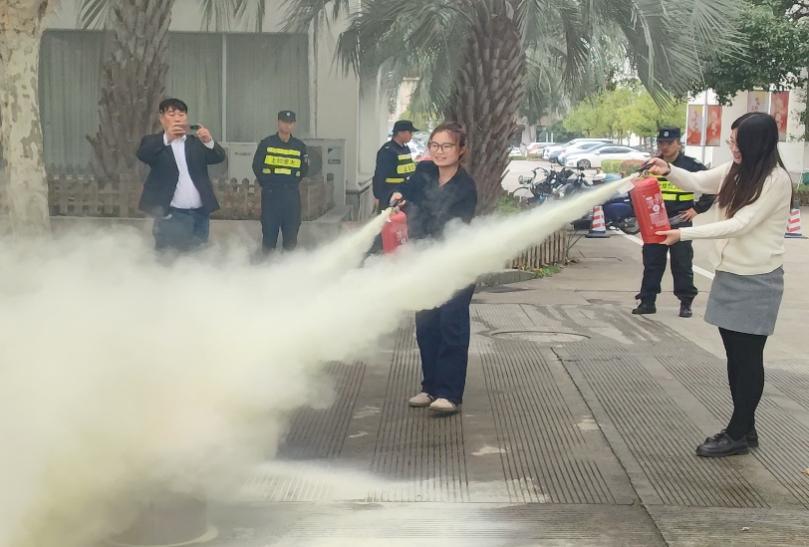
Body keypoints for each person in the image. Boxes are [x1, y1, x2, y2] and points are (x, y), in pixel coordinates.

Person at [648, 112, 793, 457]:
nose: (732, 147)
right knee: (734, 358)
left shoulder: (775, 180)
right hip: (730, 274)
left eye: (737, 142)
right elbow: (698, 181)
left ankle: (737, 433)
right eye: (731, 140)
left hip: (757, 280)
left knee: (748, 359)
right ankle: (746, 427)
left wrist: (684, 233)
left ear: (756, 144)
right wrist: (668, 170)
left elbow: (741, 224)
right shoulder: (737, 170)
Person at [389, 122, 477, 416]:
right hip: (423, 261)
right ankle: (430, 388)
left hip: (455, 264)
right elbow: (407, 189)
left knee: (451, 325)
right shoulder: (425, 172)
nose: (440, 152)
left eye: (447, 146)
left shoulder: (465, 187)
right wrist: (398, 196)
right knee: (426, 326)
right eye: (435, 145)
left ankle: (449, 394)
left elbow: (451, 228)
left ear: (460, 150)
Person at [633, 127, 715, 318]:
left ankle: (686, 302)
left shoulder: (691, 165)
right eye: (661, 142)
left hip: (680, 221)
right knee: (652, 262)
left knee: (682, 263)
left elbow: (711, 187)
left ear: (678, 143)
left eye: (669, 143)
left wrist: (696, 209)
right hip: (655, 222)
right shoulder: (650, 165)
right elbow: (637, 189)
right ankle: (647, 301)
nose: (665, 146)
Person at [137, 98, 226, 252]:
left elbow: (218, 157)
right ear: (161, 118)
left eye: (181, 114)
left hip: (200, 214)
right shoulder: (154, 142)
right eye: (172, 114)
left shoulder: (195, 143)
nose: (177, 118)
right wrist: (168, 138)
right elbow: (143, 154)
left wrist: (209, 141)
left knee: (199, 256)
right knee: (171, 258)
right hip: (171, 214)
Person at [252, 110, 309, 252]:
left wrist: (291, 182)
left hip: (291, 195)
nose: (287, 125)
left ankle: (288, 265)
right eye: (284, 122)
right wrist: (267, 183)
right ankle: (267, 264)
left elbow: (304, 169)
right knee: (269, 236)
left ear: (294, 125)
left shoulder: (299, 146)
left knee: (291, 237)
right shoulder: (266, 144)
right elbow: (257, 166)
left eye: (290, 123)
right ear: (278, 123)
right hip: (271, 195)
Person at [373, 120, 418, 211]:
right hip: (389, 192)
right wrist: (377, 196)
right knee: (390, 217)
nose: (411, 135)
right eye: (410, 132)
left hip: (405, 191)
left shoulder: (405, 149)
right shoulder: (388, 150)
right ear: (400, 133)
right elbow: (380, 174)